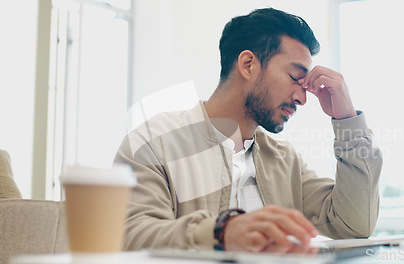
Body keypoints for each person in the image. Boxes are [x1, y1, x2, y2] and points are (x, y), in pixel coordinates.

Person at [114, 8, 382, 253]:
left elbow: (354, 223)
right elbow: (129, 234)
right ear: (248, 64)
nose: (302, 98)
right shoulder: (153, 142)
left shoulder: (285, 160)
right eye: (294, 77)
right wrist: (222, 231)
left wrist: (347, 120)